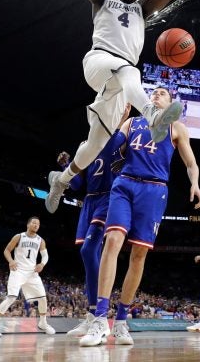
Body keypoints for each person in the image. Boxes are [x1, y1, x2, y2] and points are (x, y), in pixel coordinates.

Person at [44, 0, 182, 214]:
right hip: (99, 62)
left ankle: (62, 180)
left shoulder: (142, 9)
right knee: (132, 72)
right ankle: (154, 116)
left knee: (96, 143)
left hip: (119, 81)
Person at [79, 86, 200, 347]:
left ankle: (121, 321)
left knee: (139, 253)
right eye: (153, 93)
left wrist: (195, 184)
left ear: (170, 103)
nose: (155, 95)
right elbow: (112, 149)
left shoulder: (177, 128)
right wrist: (116, 123)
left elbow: (191, 163)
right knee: (112, 241)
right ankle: (100, 319)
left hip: (154, 189)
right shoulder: (132, 122)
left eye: (161, 94)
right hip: (124, 183)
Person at [62, 106, 131, 337]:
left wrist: (122, 118)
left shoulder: (115, 138)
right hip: (89, 201)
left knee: (90, 250)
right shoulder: (85, 145)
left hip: (108, 198)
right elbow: (77, 186)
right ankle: (92, 314)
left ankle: (96, 313)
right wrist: (66, 168)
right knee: (86, 251)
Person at [0, 217, 56, 337]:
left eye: (38, 224)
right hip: (18, 270)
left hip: (32, 273)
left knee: (43, 298)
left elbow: (45, 256)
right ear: (28, 224)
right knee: (11, 298)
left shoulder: (40, 240)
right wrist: (11, 261)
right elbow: (7, 250)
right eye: (34, 223)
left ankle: (43, 323)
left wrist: (42, 264)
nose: (36, 225)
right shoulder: (19, 236)